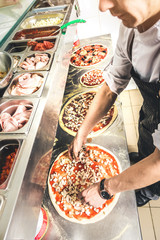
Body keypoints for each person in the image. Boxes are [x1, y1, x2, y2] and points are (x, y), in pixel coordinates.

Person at [68, 0, 160, 207]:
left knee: (153, 185)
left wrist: (106, 188)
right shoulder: (132, 28)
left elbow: (159, 163)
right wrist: (82, 132)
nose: (102, 6)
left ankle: (143, 195)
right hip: (151, 115)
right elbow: (111, 87)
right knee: (145, 144)